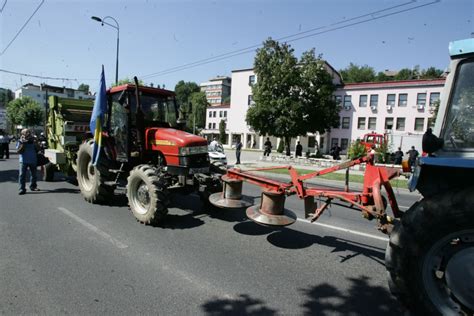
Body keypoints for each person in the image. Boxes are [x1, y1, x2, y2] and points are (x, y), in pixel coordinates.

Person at [16, 128, 40, 195]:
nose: (28, 134)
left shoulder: (33, 140)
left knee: (34, 175)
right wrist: (23, 143)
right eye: (26, 132)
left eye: (29, 132)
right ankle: (22, 189)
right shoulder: (20, 141)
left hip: (33, 160)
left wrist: (36, 143)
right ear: (22, 134)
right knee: (22, 175)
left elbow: (38, 149)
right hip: (23, 161)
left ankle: (33, 186)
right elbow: (19, 151)